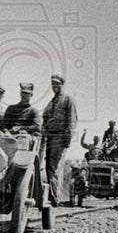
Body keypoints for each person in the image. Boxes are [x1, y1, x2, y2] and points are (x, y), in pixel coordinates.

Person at [41, 74, 78, 206]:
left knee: (54, 167)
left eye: (57, 84)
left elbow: (72, 120)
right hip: (49, 136)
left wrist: (67, 139)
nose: (55, 87)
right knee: (49, 167)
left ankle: (54, 198)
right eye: (53, 84)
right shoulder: (53, 101)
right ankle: (53, 196)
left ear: (62, 85)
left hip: (60, 137)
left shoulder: (68, 99)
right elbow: (45, 117)